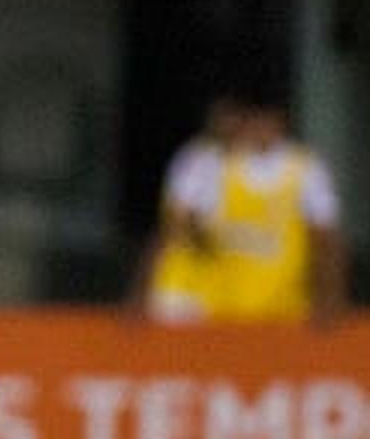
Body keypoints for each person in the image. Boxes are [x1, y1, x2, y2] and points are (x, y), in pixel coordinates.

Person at [135, 83, 346, 326]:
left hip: (284, 309)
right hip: (218, 308)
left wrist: (331, 299)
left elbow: (326, 240)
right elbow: (177, 226)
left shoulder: (305, 170)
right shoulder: (209, 164)